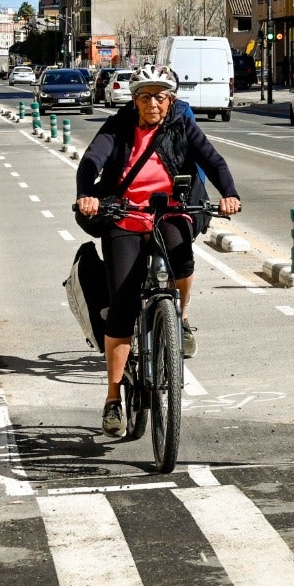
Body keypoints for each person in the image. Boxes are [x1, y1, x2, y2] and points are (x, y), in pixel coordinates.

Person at [73, 65, 242, 438]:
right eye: (146, 96)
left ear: (170, 101)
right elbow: (91, 161)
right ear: (135, 100)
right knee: (122, 303)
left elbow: (212, 161)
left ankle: (178, 318)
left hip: (170, 209)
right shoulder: (118, 126)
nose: (153, 103)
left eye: (160, 96)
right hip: (125, 213)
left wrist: (229, 193)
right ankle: (113, 398)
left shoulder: (181, 125)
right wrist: (87, 195)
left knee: (182, 254)